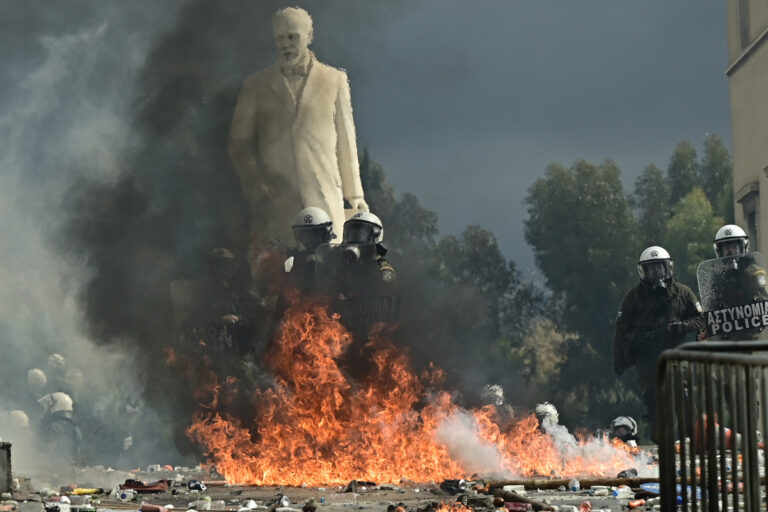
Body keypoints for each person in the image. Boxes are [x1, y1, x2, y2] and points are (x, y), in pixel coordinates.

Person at [228, 7, 368, 273]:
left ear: (309, 36)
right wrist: (258, 188)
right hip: (277, 205)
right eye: (280, 38)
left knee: (331, 276)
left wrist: (355, 195)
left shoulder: (334, 80)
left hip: (325, 196)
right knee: (280, 278)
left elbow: (346, 143)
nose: (285, 44)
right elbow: (239, 145)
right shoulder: (255, 86)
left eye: (292, 37)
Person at [613, 246, 705, 438]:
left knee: (684, 397)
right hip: (646, 360)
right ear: (643, 271)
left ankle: (690, 439)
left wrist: (682, 326)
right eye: (651, 268)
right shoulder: (633, 297)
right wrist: (619, 360)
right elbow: (621, 330)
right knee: (655, 402)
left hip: (676, 355)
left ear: (668, 267)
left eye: (659, 267)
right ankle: (662, 443)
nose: (656, 271)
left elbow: (701, 319)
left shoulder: (683, 292)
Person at [284, 206, 337, 290]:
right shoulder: (296, 258)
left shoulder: (336, 257)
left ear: (326, 235)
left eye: (315, 233)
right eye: (305, 234)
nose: (310, 239)